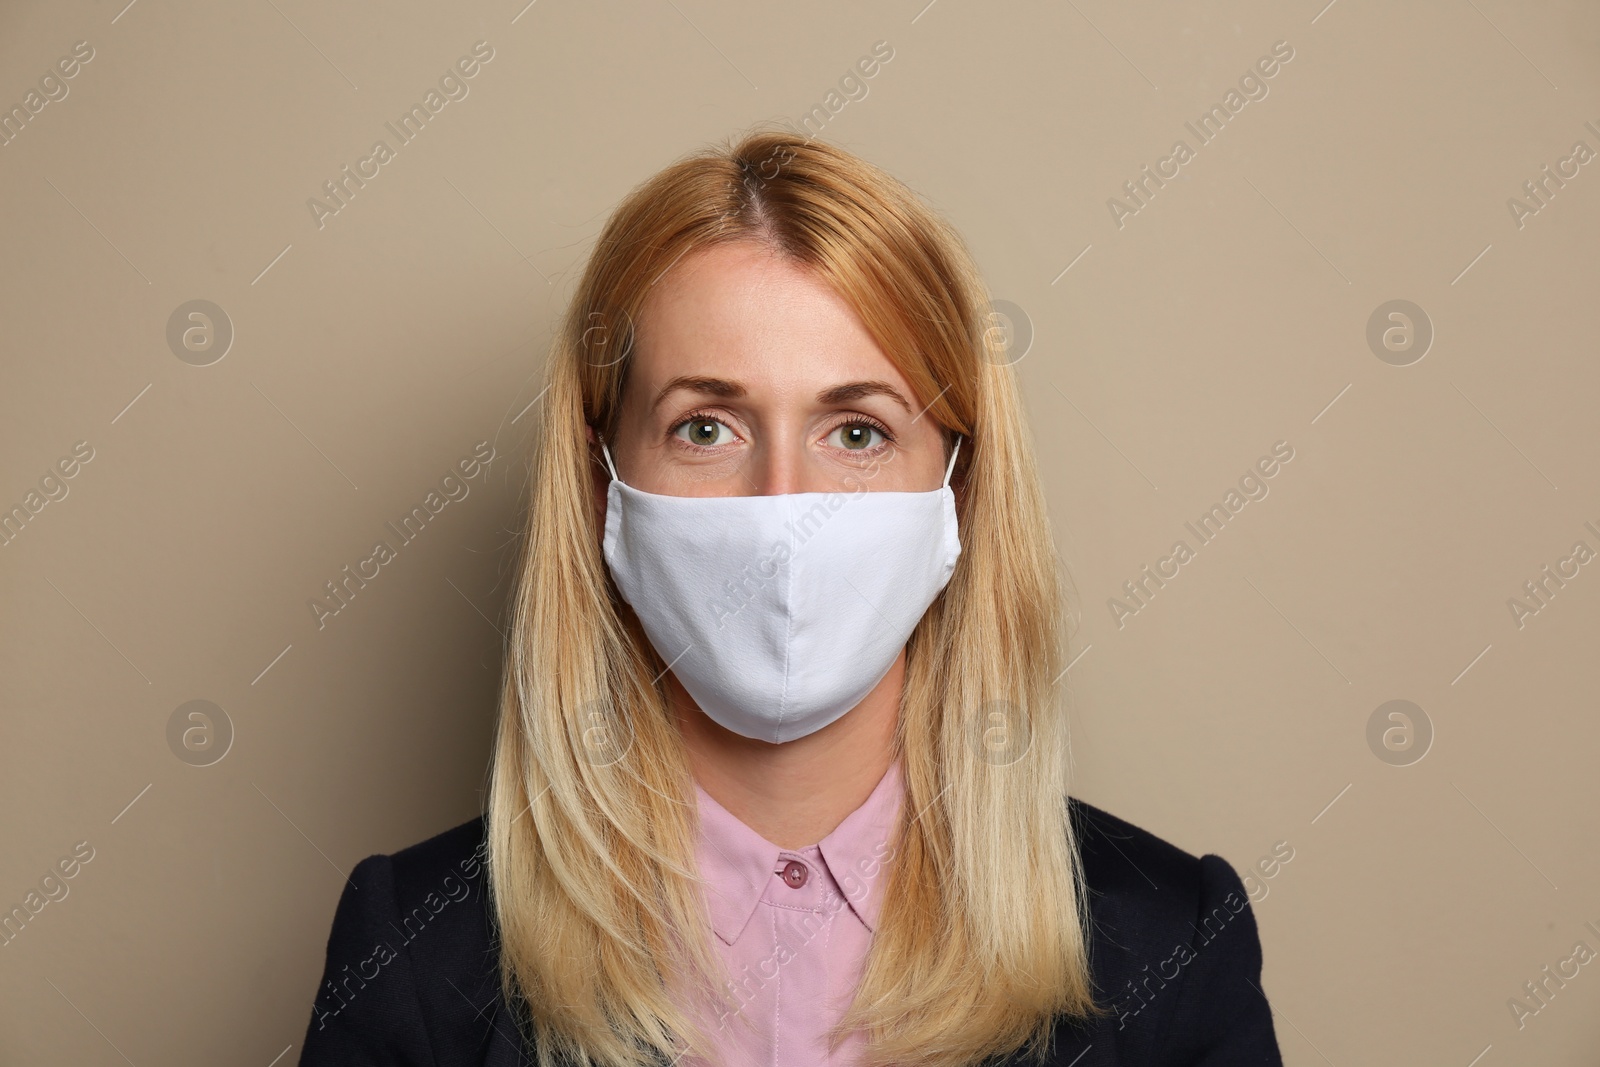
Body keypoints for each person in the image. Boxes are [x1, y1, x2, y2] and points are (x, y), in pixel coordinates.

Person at [297, 127, 1284, 1067]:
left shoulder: (1169, 945)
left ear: (958, 487)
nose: (783, 506)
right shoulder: (417, 951)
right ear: (603, 488)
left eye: (855, 431)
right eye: (705, 427)